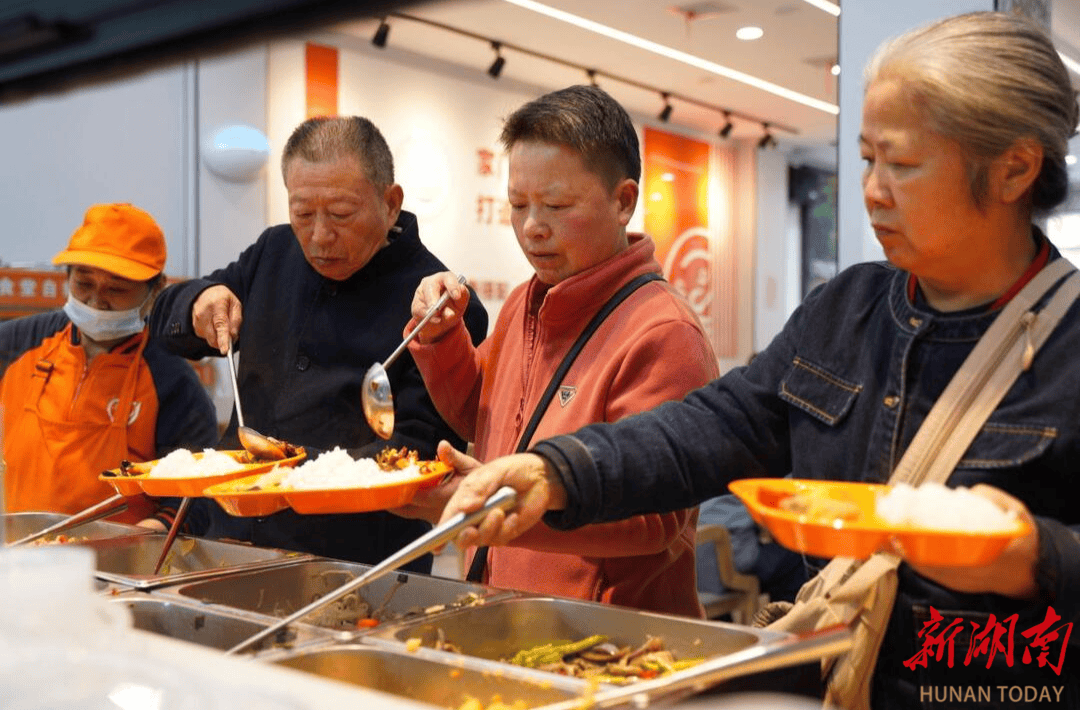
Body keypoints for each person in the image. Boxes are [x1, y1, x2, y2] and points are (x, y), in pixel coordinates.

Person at [437, 12, 1080, 707]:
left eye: (902, 164)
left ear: (1014, 169)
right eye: (867, 160)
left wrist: (1035, 558)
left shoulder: (1067, 341)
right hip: (833, 679)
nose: (873, 189)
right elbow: (715, 425)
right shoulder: (847, 309)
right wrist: (555, 471)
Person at [397, 85, 718, 617]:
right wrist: (440, 335)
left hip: (609, 636)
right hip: (507, 611)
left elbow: (655, 519)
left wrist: (503, 508)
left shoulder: (664, 332)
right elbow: (481, 414)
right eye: (518, 205)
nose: (531, 227)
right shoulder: (524, 301)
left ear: (623, 201)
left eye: (557, 206)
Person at [148, 116, 487, 569]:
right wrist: (197, 301)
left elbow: (417, 458)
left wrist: (284, 474)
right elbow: (164, 322)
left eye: (341, 214)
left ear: (391, 203)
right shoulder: (274, 252)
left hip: (357, 564)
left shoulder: (439, 307)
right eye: (303, 214)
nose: (320, 236)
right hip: (230, 545)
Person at [0, 203, 218, 525]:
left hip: (121, 552)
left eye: (116, 289)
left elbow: (197, 496)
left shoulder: (172, 380)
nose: (96, 301)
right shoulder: (19, 343)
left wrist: (149, 533)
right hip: (19, 547)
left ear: (156, 290)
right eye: (84, 284)